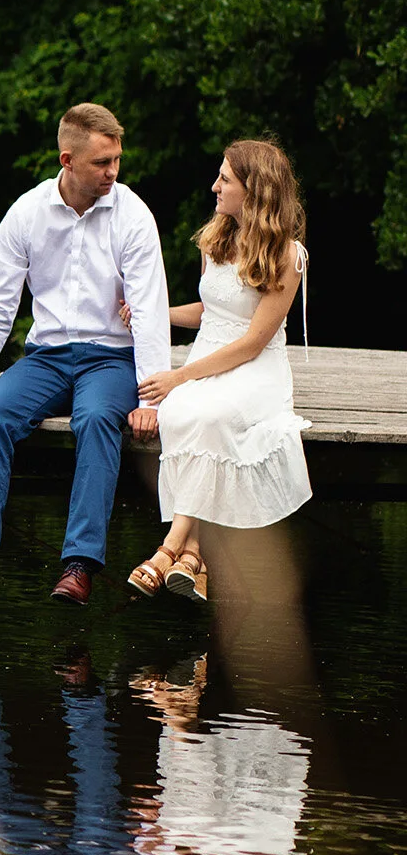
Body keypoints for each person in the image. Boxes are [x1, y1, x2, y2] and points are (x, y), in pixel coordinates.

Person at [0, 103, 172, 605]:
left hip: (111, 358)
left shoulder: (133, 215)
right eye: (101, 163)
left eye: (116, 160)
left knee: (96, 420)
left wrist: (150, 399)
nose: (113, 172)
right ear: (67, 160)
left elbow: (149, 310)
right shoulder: (26, 213)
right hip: (47, 356)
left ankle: (79, 565)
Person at [124, 140, 311, 602]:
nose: (215, 186)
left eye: (225, 179)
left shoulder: (288, 255)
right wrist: (157, 313)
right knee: (178, 415)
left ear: (254, 190)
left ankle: (171, 546)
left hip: (255, 369)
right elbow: (211, 311)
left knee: (210, 417)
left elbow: (251, 342)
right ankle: (193, 558)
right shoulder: (216, 239)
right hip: (207, 357)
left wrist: (178, 377)